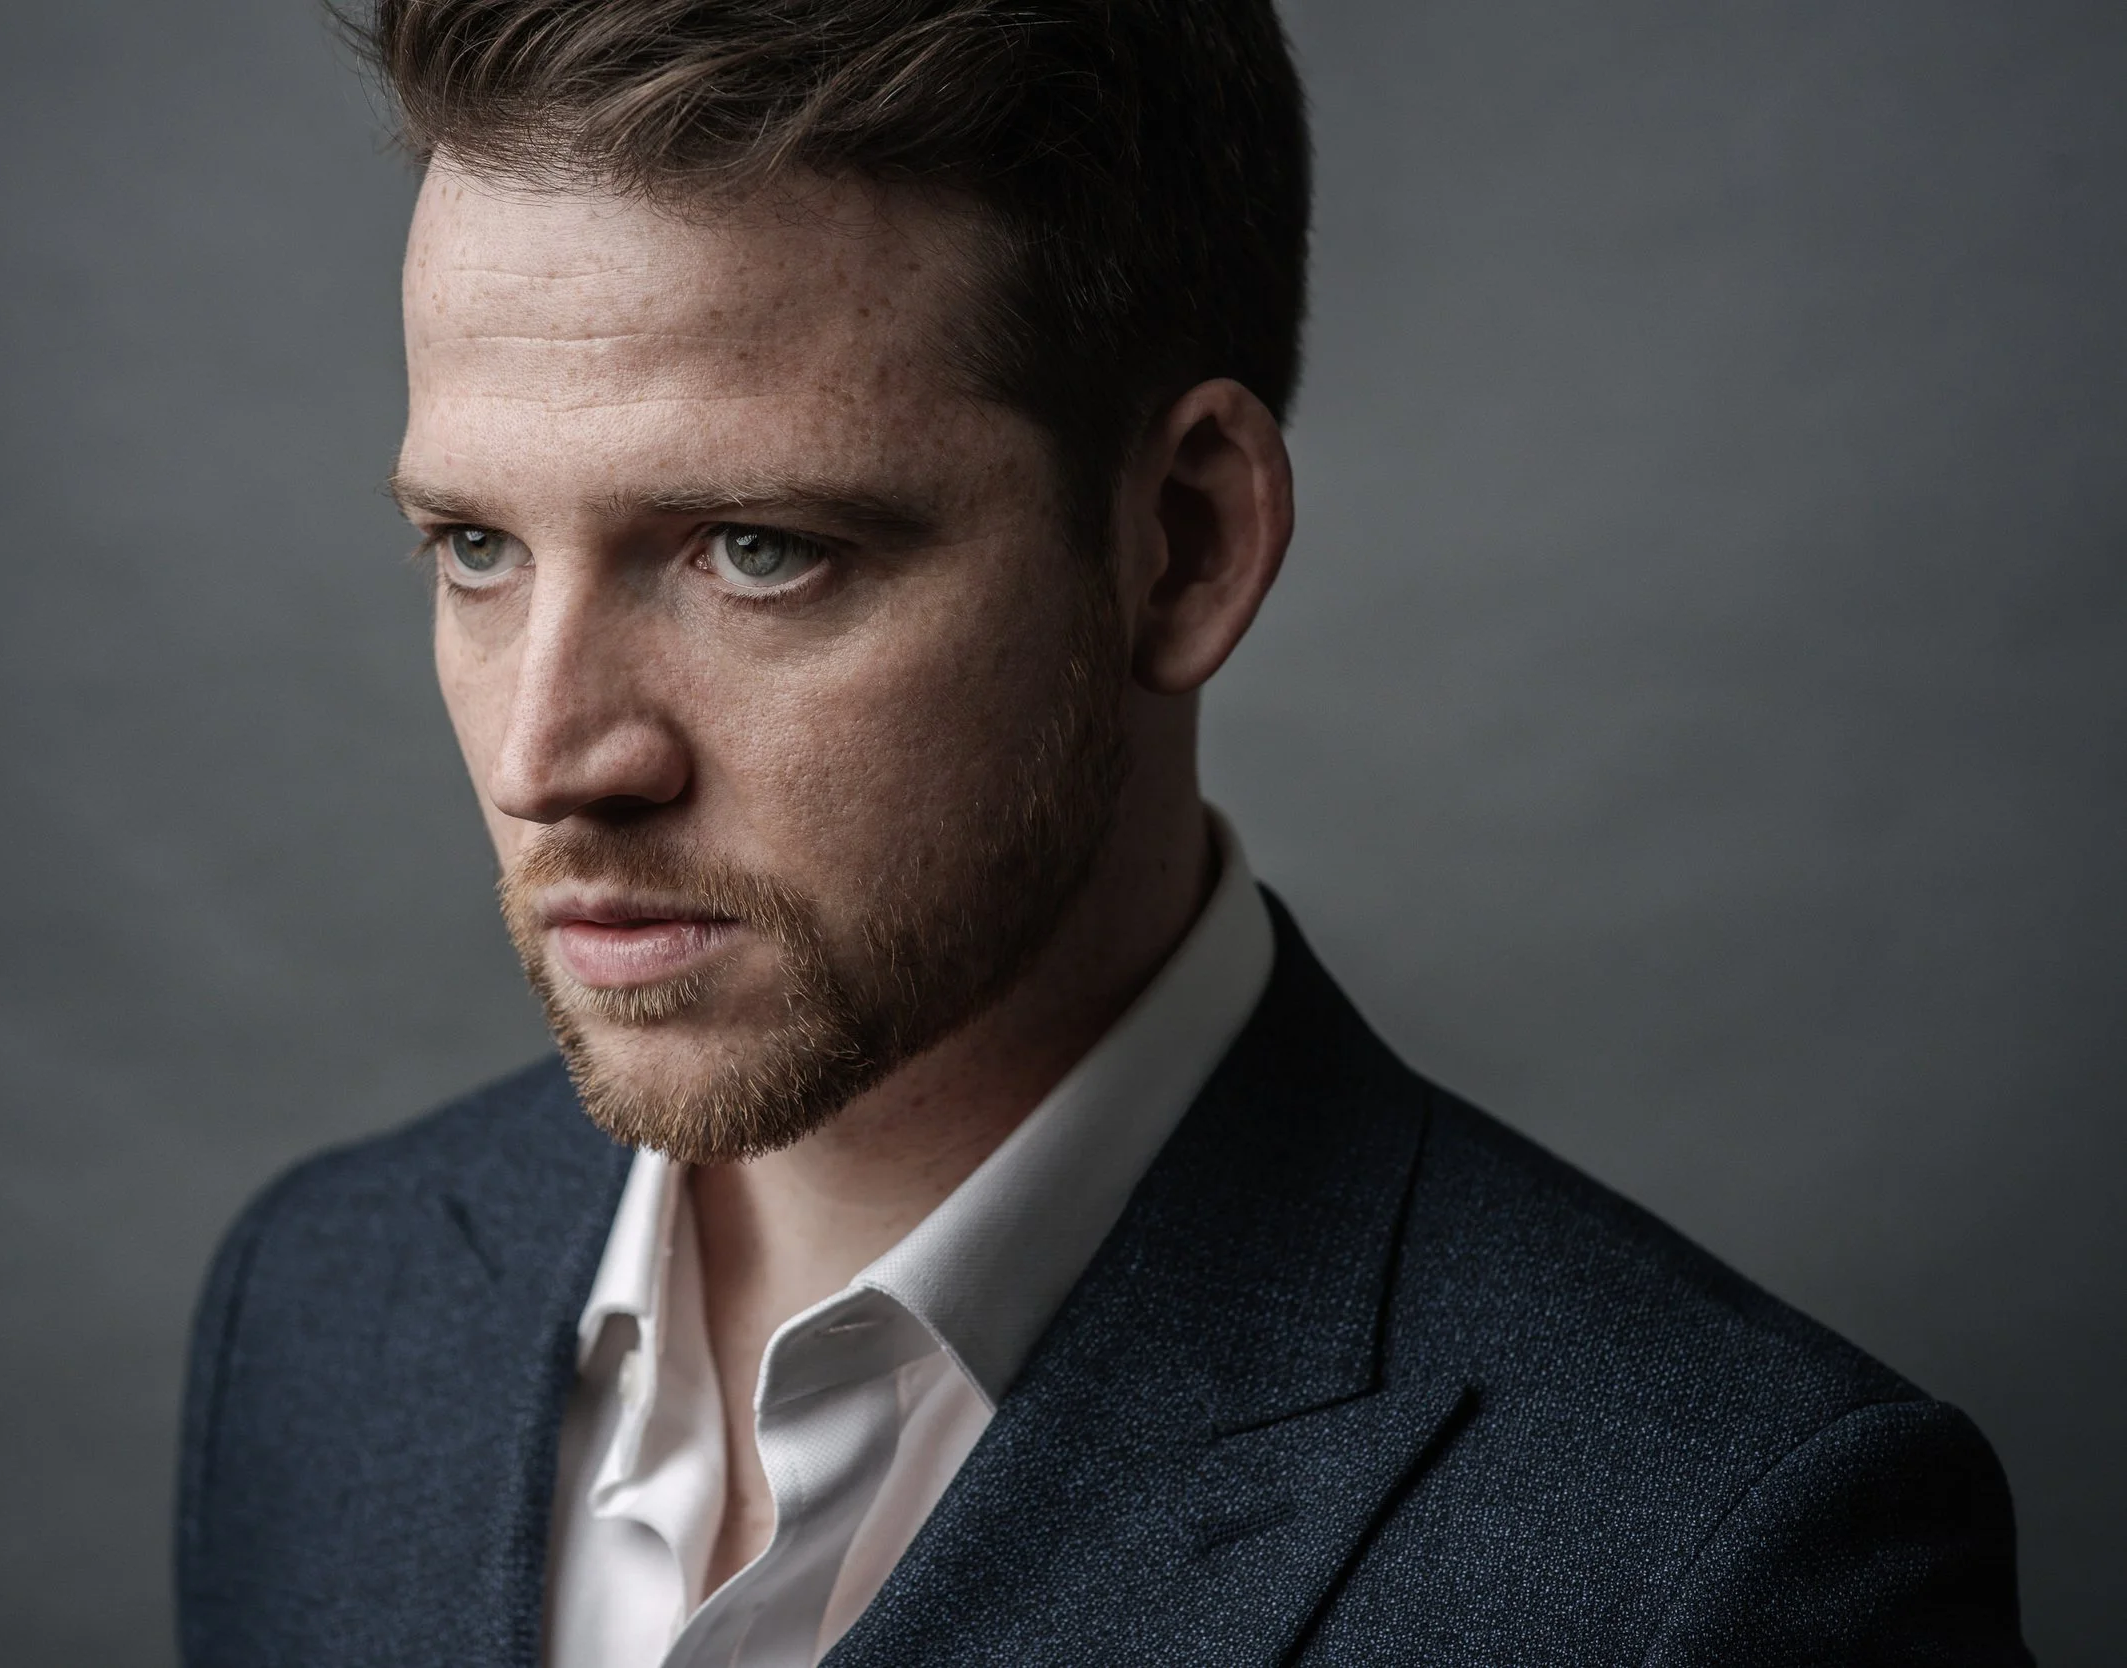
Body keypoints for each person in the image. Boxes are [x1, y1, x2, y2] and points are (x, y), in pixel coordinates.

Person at [173, 3, 2033, 1663]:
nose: (548, 755)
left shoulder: (1720, 1569)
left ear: (1188, 542)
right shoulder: (323, 1315)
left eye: (758, 550)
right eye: (475, 548)